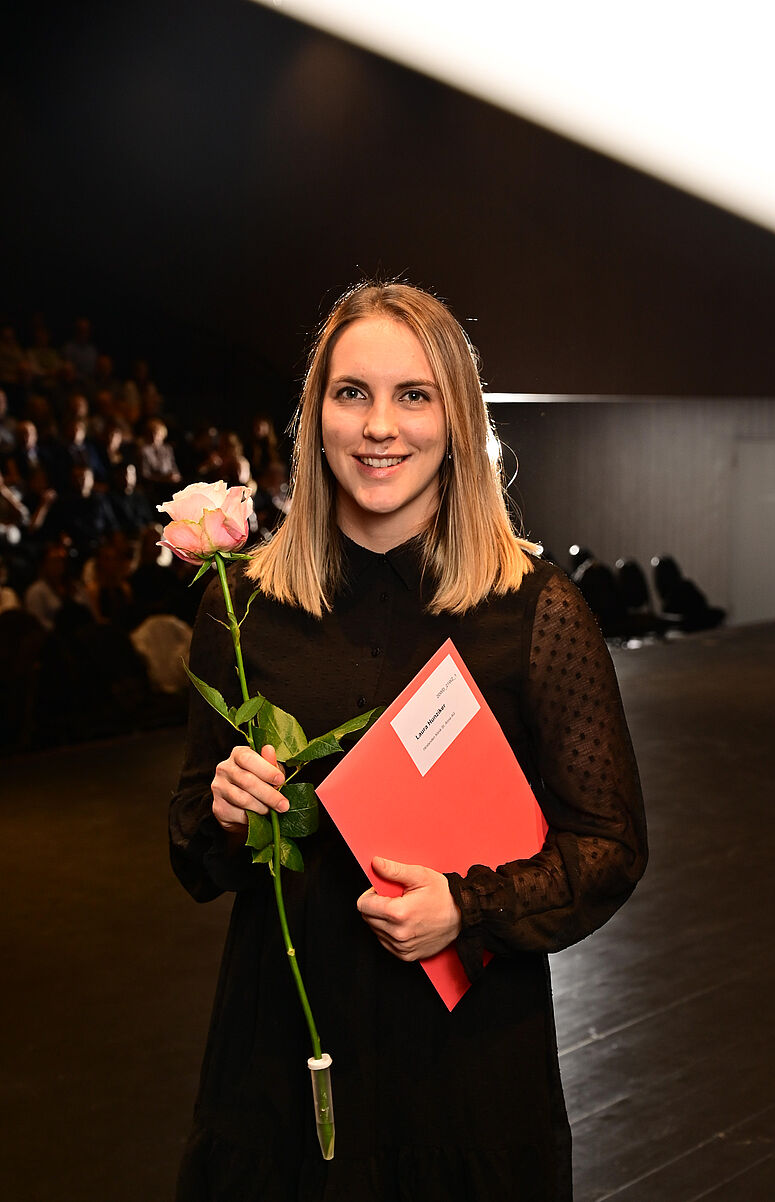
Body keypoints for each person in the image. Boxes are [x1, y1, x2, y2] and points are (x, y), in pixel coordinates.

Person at [169, 282, 647, 1201]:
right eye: (352, 393)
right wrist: (227, 813)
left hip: (468, 1069)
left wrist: (467, 908)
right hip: (281, 1054)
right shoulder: (244, 605)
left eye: (414, 395)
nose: (379, 426)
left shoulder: (535, 610)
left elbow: (611, 846)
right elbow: (193, 847)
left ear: (456, 420)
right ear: (315, 419)